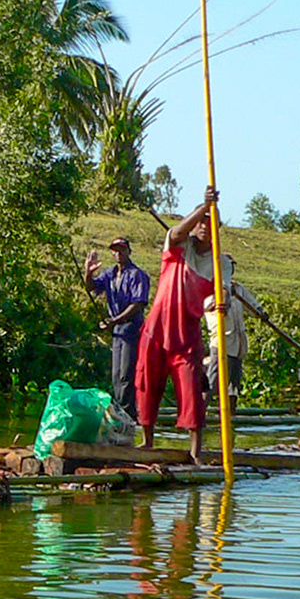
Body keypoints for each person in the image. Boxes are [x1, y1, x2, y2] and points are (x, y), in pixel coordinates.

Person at [134, 187, 220, 462]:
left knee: (192, 390)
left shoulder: (219, 262)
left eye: (210, 223)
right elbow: (178, 231)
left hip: (186, 335)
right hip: (157, 329)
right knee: (147, 383)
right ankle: (147, 441)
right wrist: (203, 207)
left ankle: (195, 451)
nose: (205, 227)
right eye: (201, 222)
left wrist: (224, 300)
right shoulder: (179, 243)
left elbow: (224, 289)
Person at [82, 236, 149, 420]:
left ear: (129, 251)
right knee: (116, 376)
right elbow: (91, 287)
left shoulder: (137, 275)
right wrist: (88, 272)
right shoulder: (110, 274)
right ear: (112, 252)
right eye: (115, 250)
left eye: (122, 249)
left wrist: (114, 320)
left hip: (131, 330)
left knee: (126, 376)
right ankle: (122, 415)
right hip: (117, 332)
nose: (118, 253)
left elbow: (138, 304)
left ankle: (127, 417)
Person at [202, 253, 260, 408]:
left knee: (234, 383)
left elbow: (253, 307)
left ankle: (230, 414)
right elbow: (205, 307)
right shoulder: (208, 287)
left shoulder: (238, 289)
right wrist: (221, 299)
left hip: (238, 341)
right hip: (221, 339)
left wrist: (261, 312)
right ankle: (200, 412)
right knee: (213, 378)